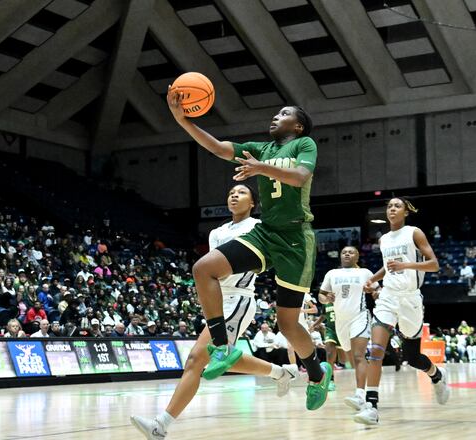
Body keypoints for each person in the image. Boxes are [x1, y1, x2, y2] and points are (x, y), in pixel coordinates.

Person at [162, 87, 330, 409]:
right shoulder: (259, 148)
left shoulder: (304, 144)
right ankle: (224, 347)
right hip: (267, 233)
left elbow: (298, 177)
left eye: (284, 114)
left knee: (288, 324)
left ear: (297, 126)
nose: (275, 116)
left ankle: (317, 374)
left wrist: (261, 168)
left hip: (296, 239)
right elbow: (217, 147)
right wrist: (182, 120)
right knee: (203, 269)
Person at [131, 184, 299, 439]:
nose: (234, 195)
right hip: (218, 299)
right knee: (220, 357)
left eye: (242, 192)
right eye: (231, 192)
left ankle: (160, 425)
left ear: (253, 203)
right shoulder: (216, 233)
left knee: (196, 360)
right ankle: (281, 372)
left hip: (239, 299)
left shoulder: (257, 228)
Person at [356, 198, 448, 425]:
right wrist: (373, 279)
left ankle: (437, 375)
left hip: (410, 299)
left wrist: (406, 265)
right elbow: (388, 267)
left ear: (406, 212)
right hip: (387, 297)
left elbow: (434, 264)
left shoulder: (414, 233)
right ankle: (372, 407)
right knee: (375, 351)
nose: (392, 209)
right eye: (389, 206)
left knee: (412, 358)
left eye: (397, 206)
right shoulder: (384, 238)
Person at [318, 246, 375, 413]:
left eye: (351, 252)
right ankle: (367, 379)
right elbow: (321, 295)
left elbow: (376, 289)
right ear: (340, 256)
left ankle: (360, 395)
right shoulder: (332, 274)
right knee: (348, 360)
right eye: (344, 252)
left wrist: (373, 290)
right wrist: (325, 297)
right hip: (340, 321)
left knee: (358, 356)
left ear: (357, 256)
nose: (347, 254)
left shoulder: (364, 272)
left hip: (359, 316)